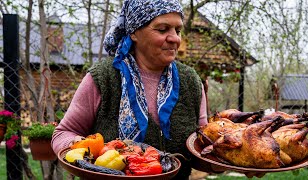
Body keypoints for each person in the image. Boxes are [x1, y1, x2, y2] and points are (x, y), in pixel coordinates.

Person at [51, 0, 207, 179]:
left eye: (177, 30)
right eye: (163, 29)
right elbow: (63, 133)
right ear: (134, 32)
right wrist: (85, 148)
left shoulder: (191, 82)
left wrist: (222, 159)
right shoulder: (104, 77)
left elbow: (200, 147)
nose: (175, 38)